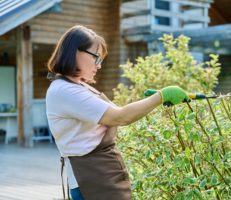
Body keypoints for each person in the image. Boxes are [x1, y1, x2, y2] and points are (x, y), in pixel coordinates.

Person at [45, 25, 189, 200]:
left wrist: (152, 101)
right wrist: (162, 96)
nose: (99, 66)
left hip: (102, 176)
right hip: (92, 182)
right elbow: (121, 117)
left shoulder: (78, 86)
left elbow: (116, 112)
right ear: (76, 52)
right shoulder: (65, 91)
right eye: (96, 58)